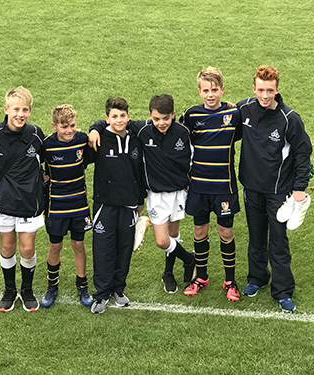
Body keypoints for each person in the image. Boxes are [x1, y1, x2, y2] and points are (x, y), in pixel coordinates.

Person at [89, 94, 195, 294]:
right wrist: (95, 128)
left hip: (179, 193)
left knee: (174, 234)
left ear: (173, 114)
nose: (161, 123)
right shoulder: (143, 129)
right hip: (156, 194)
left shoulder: (183, 131)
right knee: (162, 240)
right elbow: (111, 121)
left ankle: (168, 273)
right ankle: (189, 258)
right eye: (156, 119)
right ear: (150, 116)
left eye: (165, 118)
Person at [238, 65, 312, 312]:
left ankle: (282, 291)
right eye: (261, 89)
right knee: (256, 239)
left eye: (270, 90)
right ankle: (257, 278)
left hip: (279, 192)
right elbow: (223, 127)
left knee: (278, 243)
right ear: (254, 88)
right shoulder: (243, 108)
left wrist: (299, 188)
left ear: (277, 89)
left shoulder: (289, 119)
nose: (265, 95)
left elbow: (303, 153)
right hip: (251, 188)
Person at [179, 67, 242, 301]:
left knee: (226, 232)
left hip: (224, 187)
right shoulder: (191, 116)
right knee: (199, 231)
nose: (210, 94)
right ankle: (201, 276)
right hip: (199, 186)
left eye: (215, 90)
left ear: (222, 90)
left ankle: (230, 280)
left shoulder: (234, 114)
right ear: (199, 92)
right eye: (206, 90)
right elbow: (173, 133)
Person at [0, 86, 46, 312]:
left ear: (30, 111)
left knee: (27, 249)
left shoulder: (36, 134)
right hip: (3, 203)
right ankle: (9, 290)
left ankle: (27, 289)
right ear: (6, 109)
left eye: (25, 109)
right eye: (16, 109)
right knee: (7, 247)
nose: (20, 114)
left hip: (30, 204)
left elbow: (53, 153)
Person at [85, 96, 146, 314]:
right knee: (103, 250)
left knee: (124, 248)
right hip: (105, 205)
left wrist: (140, 200)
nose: (118, 120)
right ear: (107, 118)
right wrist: (95, 128)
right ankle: (101, 294)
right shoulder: (98, 138)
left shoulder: (136, 138)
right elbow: (80, 162)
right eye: (114, 116)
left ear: (128, 117)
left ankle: (118, 289)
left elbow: (140, 173)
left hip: (129, 205)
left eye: (122, 116)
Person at [39, 104, 93, 308]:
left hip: (79, 203)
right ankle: (52, 286)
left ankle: (82, 286)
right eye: (64, 127)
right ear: (54, 126)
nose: (69, 130)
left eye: (72, 125)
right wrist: (40, 176)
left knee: (79, 244)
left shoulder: (82, 140)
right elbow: (29, 160)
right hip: (56, 205)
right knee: (55, 245)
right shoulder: (46, 145)